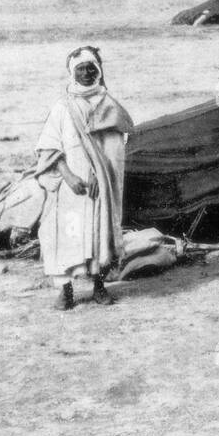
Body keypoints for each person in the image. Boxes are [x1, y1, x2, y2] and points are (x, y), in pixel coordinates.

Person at [35, 46, 135, 309]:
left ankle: (98, 287)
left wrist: (97, 174)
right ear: (72, 72)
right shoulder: (62, 107)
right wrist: (68, 176)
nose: (88, 73)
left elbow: (112, 148)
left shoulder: (107, 105)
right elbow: (49, 147)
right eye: (81, 68)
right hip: (70, 186)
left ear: (99, 70)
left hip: (97, 186)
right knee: (65, 235)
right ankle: (66, 291)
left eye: (92, 68)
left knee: (97, 233)